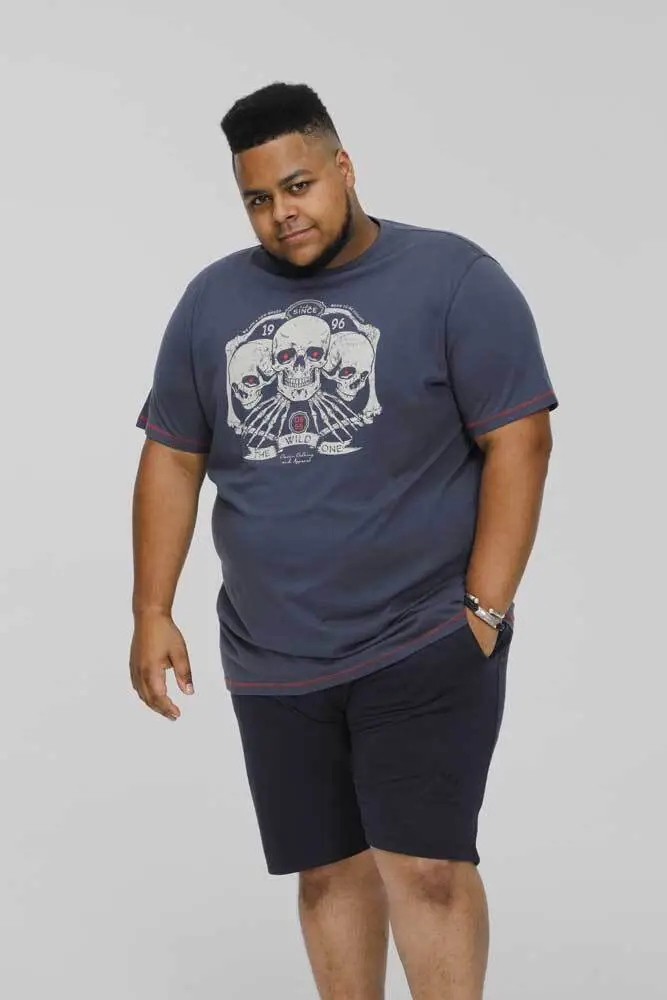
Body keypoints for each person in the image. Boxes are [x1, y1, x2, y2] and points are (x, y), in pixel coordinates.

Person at [130, 81, 558, 1000]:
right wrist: (151, 609)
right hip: (273, 655)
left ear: (344, 168)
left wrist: (483, 609)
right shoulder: (210, 302)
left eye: (298, 186)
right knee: (327, 874)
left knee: (427, 869)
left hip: (421, 638)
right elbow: (172, 456)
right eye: (257, 198)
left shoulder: (453, 279)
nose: (281, 213)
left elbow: (519, 438)